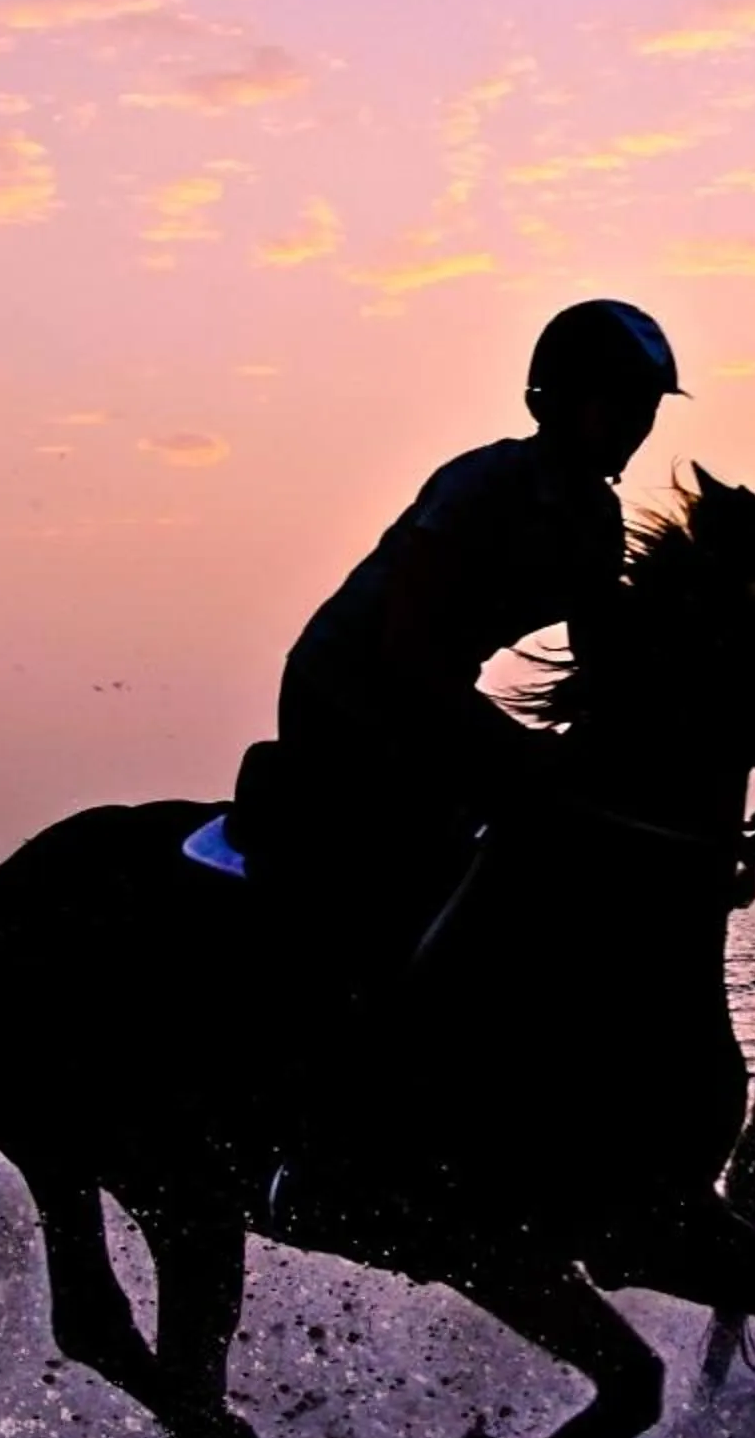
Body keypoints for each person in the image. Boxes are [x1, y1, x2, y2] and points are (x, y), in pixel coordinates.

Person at [242, 299, 683, 999]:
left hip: (430, 700)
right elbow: (406, 651)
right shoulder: (480, 485)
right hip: (345, 695)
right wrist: (522, 748)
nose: (636, 424)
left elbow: (606, 666)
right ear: (559, 402)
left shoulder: (597, 518)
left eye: (647, 407)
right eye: (620, 403)